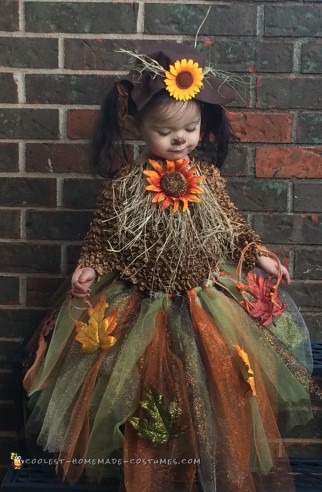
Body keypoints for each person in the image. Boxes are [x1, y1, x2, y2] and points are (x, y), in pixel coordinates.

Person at [23, 42, 319, 492]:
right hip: (139, 303)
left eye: (191, 129)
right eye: (166, 131)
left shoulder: (208, 180)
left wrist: (258, 254)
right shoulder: (125, 188)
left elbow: (230, 228)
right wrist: (87, 266)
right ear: (138, 126)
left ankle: (202, 468)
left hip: (206, 300)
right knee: (144, 392)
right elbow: (104, 237)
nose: (181, 140)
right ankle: (150, 470)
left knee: (212, 388)